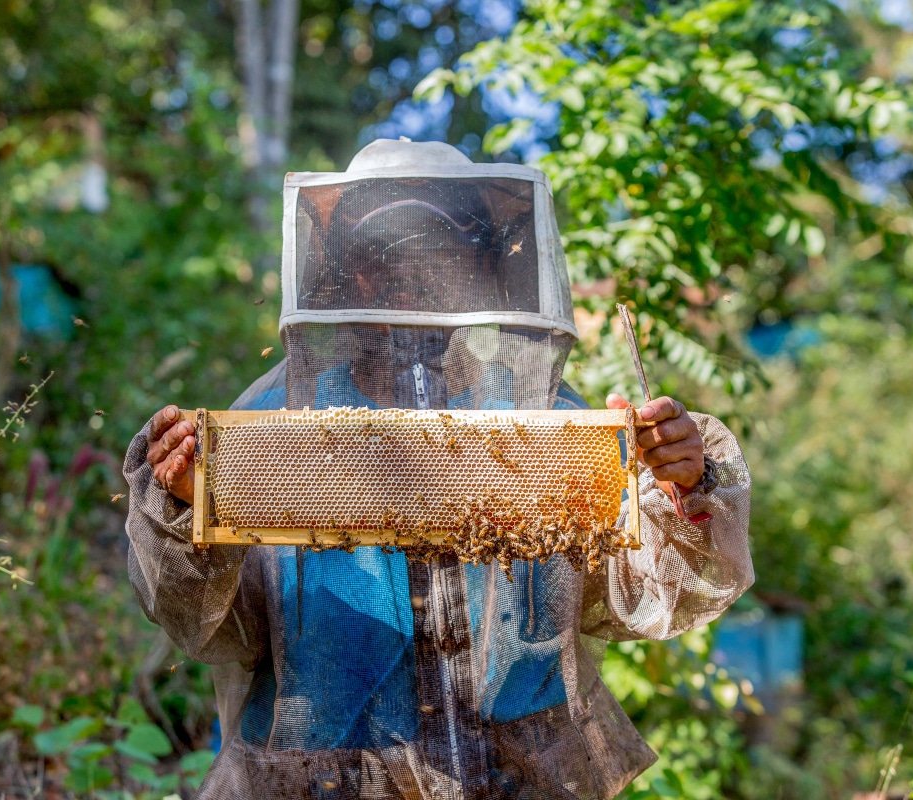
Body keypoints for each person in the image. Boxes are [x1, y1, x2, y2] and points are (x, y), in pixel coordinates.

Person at [124, 139, 753, 799]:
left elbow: (650, 594)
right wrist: (184, 509)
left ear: (480, 268)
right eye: (381, 253)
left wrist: (680, 483)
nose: (408, 274)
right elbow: (203, 619)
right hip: (327, 780)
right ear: (344, 274)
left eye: (437, 250)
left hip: (517, 777)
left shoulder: (547, 422)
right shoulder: (271, 423)